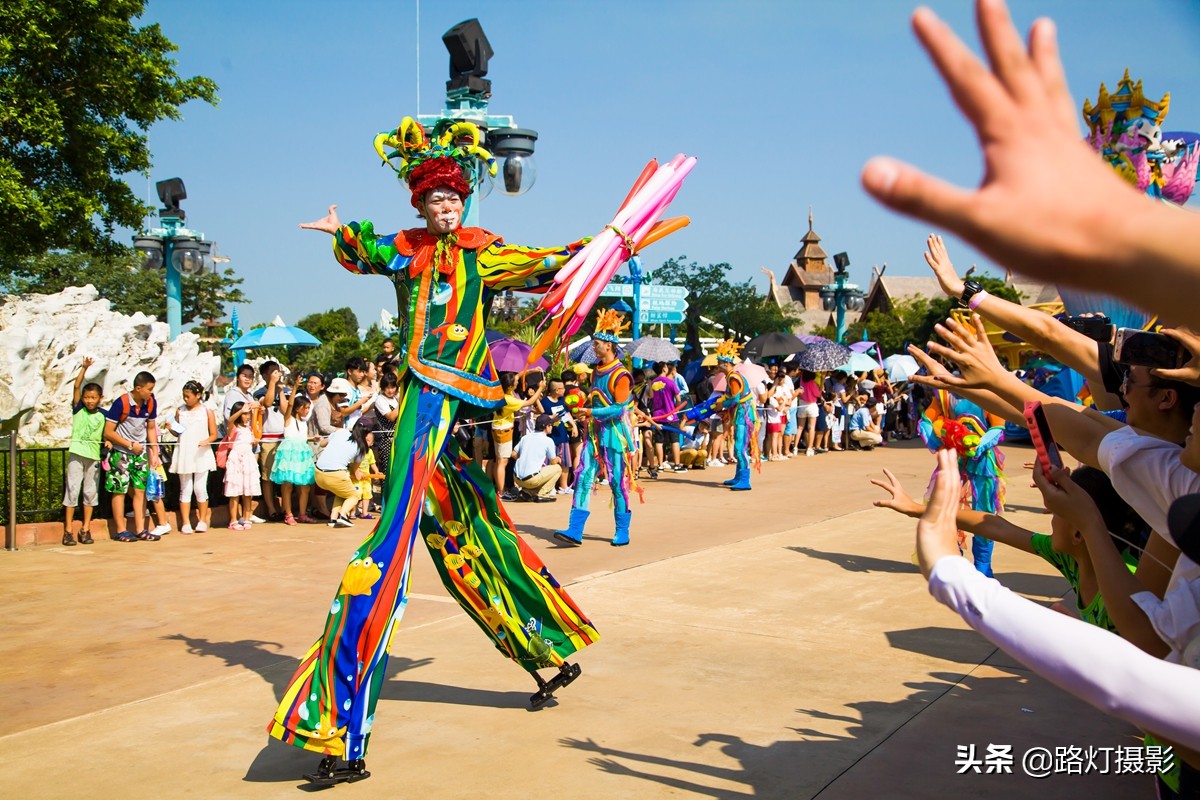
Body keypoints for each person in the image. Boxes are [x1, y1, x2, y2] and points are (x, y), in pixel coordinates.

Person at [270, 116, 598, 780]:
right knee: (461, 526)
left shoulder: (484, 250)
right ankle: (548, 648)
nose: (444, 210)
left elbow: (548, 262)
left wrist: (606, 243)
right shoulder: (408, 249)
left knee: (389, 543)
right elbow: (366, 251)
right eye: (433, 201)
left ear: (463, 204)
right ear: (420, 205)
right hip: (423, 392)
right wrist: (341, 234)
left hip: (447, 395)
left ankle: (340, 733)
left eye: (452, 200)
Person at [554, 309, 639, 546]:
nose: (594, 347)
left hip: (613, 434)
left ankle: (622, 530)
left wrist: (590, 411)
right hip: (593, 432)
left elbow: (619, 409)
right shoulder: (596, 372)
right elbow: (597, 399)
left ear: (610, 346)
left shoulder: (621, 374)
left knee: (616, 481)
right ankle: (575, 529)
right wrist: (581, 400)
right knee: (583, 476)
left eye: (597, 343)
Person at [687, 341, 757, 491]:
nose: (718, 366)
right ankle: (739, 476)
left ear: (727, 363)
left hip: (743, 414)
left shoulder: (733, 378)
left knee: (739, 447)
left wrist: (722, 405)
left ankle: (745, 479)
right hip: (740, 413)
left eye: (720, 363)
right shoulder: (730, 377)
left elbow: (735, 398)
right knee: (739, 445)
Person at [103, 371, 161, 542]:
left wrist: (154, 451)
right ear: (138, 388)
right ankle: (121, 529)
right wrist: (129, 444)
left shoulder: (150, 403)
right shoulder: (121, 403)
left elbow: (150, 428)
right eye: (149, 389)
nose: (151, 392)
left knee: (140, 490)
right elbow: (108, 432)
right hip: (121, 452)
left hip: (140, 452)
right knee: (119, 489)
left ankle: (140, 528)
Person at [62, 357, 104, 546]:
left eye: (93, 398)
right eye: (87, 397)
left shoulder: (104, 415)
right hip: (77, 454)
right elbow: (76, 387)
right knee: (72, 490)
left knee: (90, 492)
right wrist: (84, 369)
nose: (89, 401)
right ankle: (68, 530)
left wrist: (109, 442)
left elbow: (109, 433)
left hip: (93, 457)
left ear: (99, 399)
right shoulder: (79, 409)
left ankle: (86, 528)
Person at [170, 380, 218, 534]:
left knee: (200, 487)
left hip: (201, 454)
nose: (186, 399)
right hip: (185, 453)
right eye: (184, 396)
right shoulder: (180, 411)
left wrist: (205, 441)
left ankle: (202, 520)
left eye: (188, 396)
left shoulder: (206, 411)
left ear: (198, 395)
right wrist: (171, 428)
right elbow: (178, 432)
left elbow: (214, 434)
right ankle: (185, 522)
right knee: (185, 488)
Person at [492, 372, 545, 501]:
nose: (517, 383)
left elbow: (518, 376)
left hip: (499, 427)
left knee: (499, 461)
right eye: (515, 383)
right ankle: (501, 491)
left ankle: (500, 489)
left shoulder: (502, 391)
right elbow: (530, 402)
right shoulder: (509, 399)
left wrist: (532, 369)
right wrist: (540, 388)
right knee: (502, 462)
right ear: (509, 386)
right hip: (503, 430)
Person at [272, 383, 317, 525]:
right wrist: (294, 389)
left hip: (302, 455)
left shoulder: (303, 423)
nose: (307, 411)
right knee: (287, 484)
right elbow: (289, 405)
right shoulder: (288, 419)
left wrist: (311, 438)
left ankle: (302, 514)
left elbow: (300, 437)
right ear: (298, 408)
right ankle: (289, 513)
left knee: (305, 486)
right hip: (289, 454)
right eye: (306, 408)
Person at [223, 401, 261, 531]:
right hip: (236, 460)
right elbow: (230, 420)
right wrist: (240, 410)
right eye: (244, 414)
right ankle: (233, 520)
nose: (247, 416)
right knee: (235, 491)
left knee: (247, 491)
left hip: (248, 460)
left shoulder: (249, 428)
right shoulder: (233, 427)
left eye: (248, 414)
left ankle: (246, 517)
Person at [513, 414, 562, 501]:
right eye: (551, 425)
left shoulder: (525, 437)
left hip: (517, 478)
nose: (552, 427)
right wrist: (558, 458)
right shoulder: (548, 440)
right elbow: (553, 462)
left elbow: (513, 453)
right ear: (546, 426)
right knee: (557, 468)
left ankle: (527, 492)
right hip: (531, 479)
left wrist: (523, 459)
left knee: (538, 472)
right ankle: (543, 494)